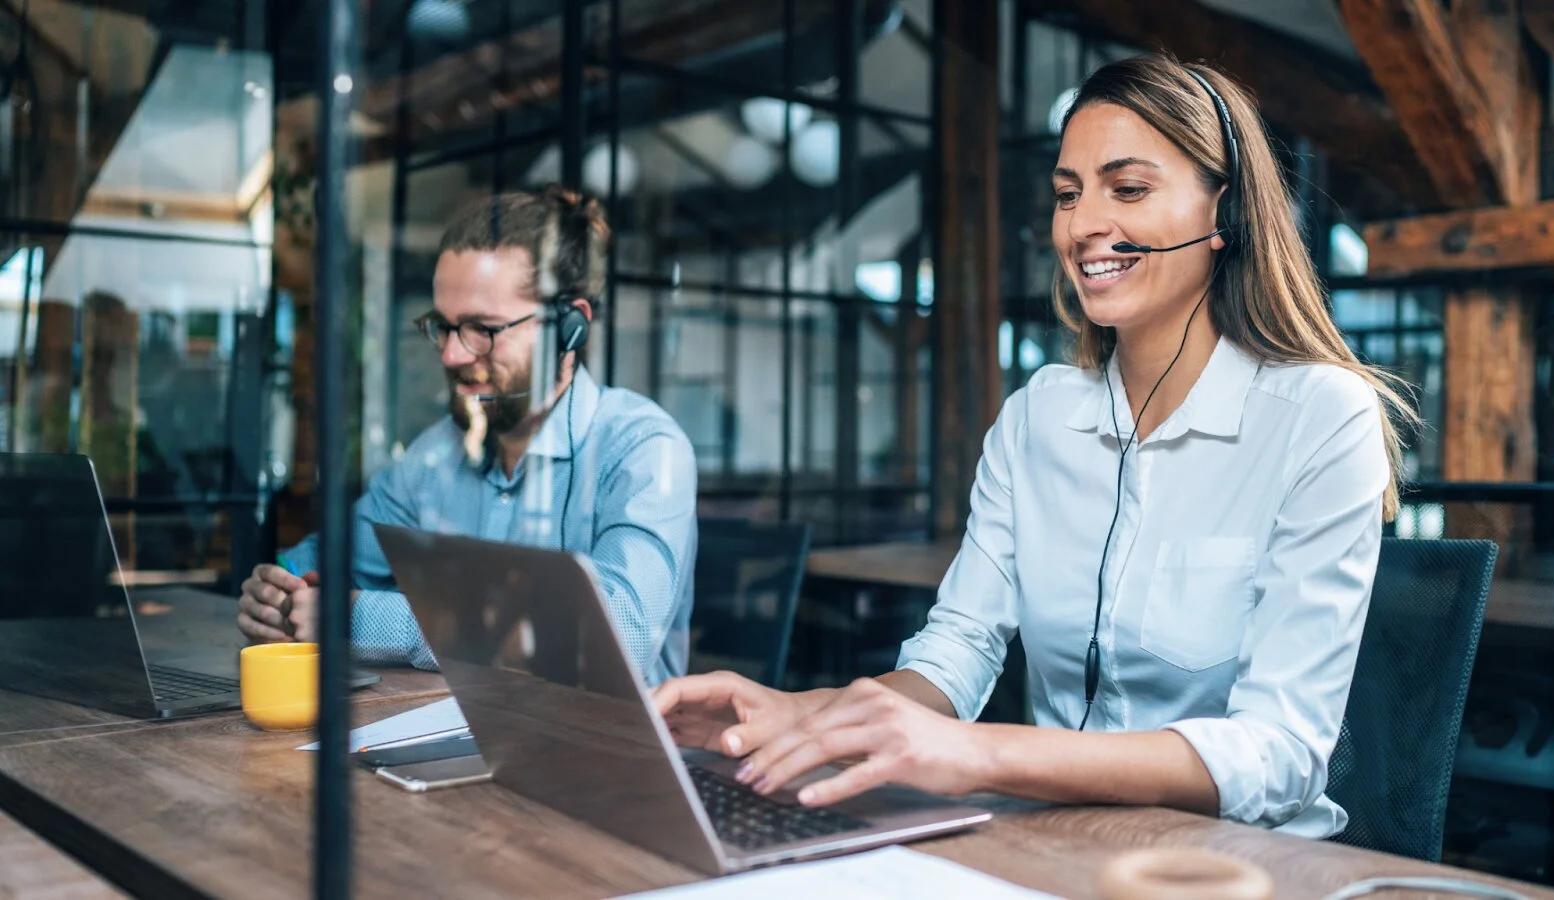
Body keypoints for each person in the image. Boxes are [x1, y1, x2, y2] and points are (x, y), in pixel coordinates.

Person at [654, 55, 1417, 837]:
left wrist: (978, 756)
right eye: (1067, 194)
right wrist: (804, 717)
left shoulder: (1321, 416)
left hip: (1235, 864)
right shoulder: (1037, 417)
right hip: (1055, 841)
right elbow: (957, 649)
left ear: (1225, 214)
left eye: (1129, 189)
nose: (1083, 224)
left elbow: (1279, 752)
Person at [238, 186, 698, 686]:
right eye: (444, 325)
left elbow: (616, 639)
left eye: (483, 329)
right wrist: (276, 591)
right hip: (454, 738)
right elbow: (327, 562)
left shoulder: (642, 450)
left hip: (605, 753)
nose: (452, 355)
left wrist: (360, 620)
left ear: (570, 327)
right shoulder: (435, 454)